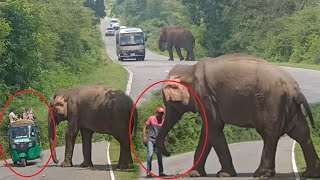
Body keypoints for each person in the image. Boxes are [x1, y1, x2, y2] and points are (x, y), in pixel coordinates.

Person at [143, 107, 168, 178]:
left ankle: (161, 172)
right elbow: (145, 126)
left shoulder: (163, 121)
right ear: (157, 113)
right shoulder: (151, 118)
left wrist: (165, 140)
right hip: (150, 139)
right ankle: (148, 172)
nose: (161, 115)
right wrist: (144, 136)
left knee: (159, 157)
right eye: (159, 113)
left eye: (162, 113)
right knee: (150, 155)